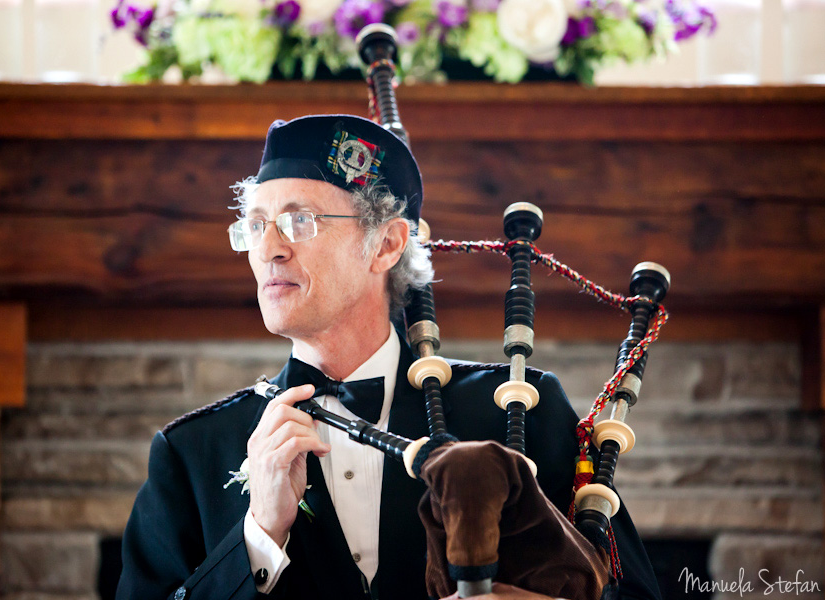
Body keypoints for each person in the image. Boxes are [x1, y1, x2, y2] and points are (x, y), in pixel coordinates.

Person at [116, 114, 663, 600]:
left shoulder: (519, 409)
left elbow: (630, 588)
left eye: (298, 220)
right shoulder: (189, 455)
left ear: (386, 244)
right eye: (256, 225)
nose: (268, 248)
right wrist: (257, 537)